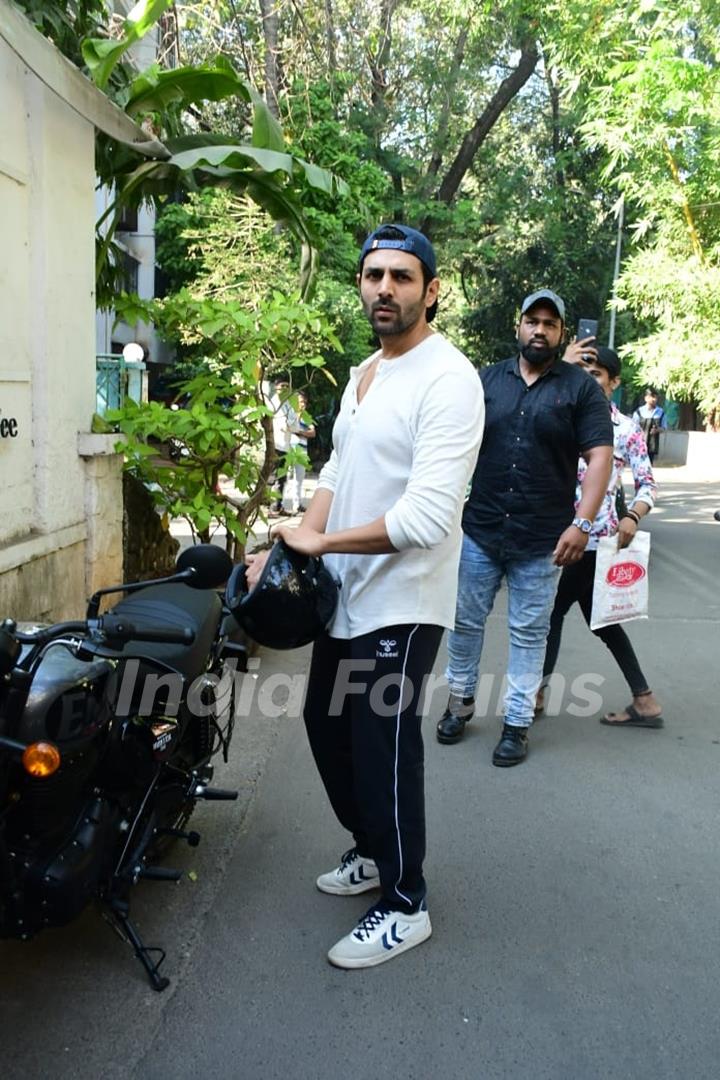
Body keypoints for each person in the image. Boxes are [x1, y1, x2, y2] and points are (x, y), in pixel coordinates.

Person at [246, 224, 485, 968]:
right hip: (348, 596)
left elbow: (424, 518)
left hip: (405, 602)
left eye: (403, 276)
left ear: (431, 291)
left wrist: (325, 544)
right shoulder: (362, 374)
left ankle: (407, 900)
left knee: (382, 747)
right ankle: (373, 849)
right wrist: (297, 534)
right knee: (326, 725)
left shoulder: (449, 380)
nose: (385, 287)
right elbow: (334, 473)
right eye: (373, 274)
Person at [436, 289, 614, 765]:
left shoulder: (580, 389)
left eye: (549, 324)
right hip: (480, 530)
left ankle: (516, 724)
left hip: (543, 538)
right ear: (518, 327)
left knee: (529, 632)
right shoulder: (485, 381)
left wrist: (583, 522)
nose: (539, 330)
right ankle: (459, 704)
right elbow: (451, 444)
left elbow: (600, 456)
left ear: (561, 334)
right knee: (465, 623)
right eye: (532, 321)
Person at [539, 347, 663, 727]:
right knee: (599, 621)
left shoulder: (625, 430)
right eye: (583, 370)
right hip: (553, 536)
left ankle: (534, 693)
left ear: (613, 382)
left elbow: (647, 485)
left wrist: (632, 516)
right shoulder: (560, 419)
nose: (588, 378)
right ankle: (644, 700)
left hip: (595, 542)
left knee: (553, 614)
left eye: (597, 374)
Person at [282, 390, 315, 515]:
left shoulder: (307, 417)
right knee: (285, 477)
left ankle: (297, 504)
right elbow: (287, 429)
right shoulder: (289, 415)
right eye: (301, 401)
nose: (303, 404)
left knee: (299, 479)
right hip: (290, 448)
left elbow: (313, 432)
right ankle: (282, 504)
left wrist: (299, 431)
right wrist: (300, 431)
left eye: (305, 402)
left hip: (302, 450)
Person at [268, 377, 296, 517]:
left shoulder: (290, 404)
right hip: (275, 445)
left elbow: (294, 425)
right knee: (271, 477)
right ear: (276, 388)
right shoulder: (272, 403)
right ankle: (267, 508)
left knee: (282, 478)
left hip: (286, 445)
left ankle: (278, 506)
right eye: (282, 386)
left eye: (287, 386)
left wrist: (289, 425)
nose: (284, 389)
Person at [633, 389, 667, 464]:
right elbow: (633, 428)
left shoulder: (661, 412)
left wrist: (657, 430)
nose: (654, 399)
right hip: (639, 445)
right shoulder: (639, 412)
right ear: (646, 398)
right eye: (651, 397)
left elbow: (664, 428)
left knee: (648, 466)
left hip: (652, 445)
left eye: (655, 397)